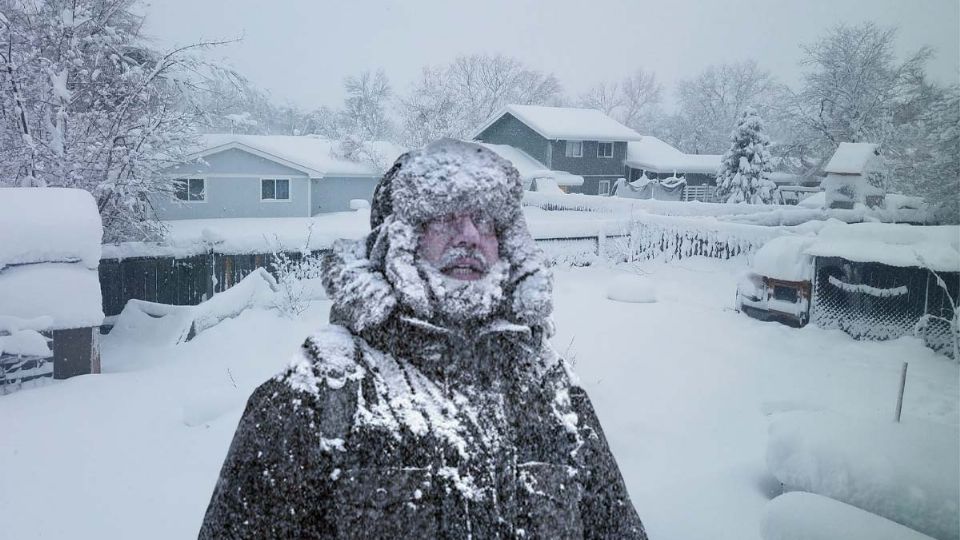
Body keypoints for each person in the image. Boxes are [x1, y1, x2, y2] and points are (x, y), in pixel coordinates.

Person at [199, 139, 648, 539]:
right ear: (396, 240)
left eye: (485, 220)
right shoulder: (314, 398)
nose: (470, 236)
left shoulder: (552, 393)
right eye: (444, 217)